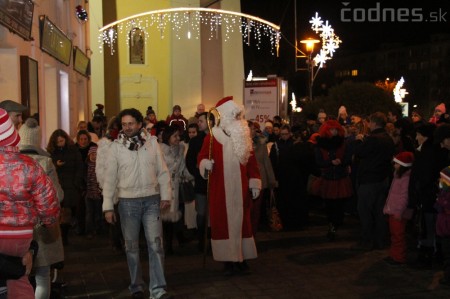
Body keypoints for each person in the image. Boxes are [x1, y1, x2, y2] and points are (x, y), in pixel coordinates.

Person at [102, 108, 173, 299]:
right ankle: (136, 285)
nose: (127, 127)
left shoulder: (152, 144)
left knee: (156, 245)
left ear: (139, 124)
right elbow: (109, 178)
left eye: (130, 123)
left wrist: (165, 194)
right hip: (127, 202)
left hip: (151, 199)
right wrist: (108, 206)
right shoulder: (116, 147)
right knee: (131, 247)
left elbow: (163, 171)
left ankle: (158, 289)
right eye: (124, 124)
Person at [198, 96, 261, 275]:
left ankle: (241, 258)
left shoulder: (244, 135)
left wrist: (254, 181)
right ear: (225, 116)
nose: (238, 119)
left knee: (243, 223)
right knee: (223, 224)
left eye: (239, 116)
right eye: (234, 115)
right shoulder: (212, 137)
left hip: (240, 189)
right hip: (221, 189)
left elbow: (251, 161)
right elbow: (201, 157)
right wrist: (205, 164)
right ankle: (228, 261)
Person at [0, 108, 60, 299]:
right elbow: (48, 201)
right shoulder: (29, 165)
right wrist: (50, 223)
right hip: (20, 236)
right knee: (20, 279)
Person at [18, 118, 65, 299]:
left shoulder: (10, 162)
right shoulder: (45, 162)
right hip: (41, 227)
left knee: (18, 277)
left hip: (18, 226)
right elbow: (57, 195)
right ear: (38, 139)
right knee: (42, 276)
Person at [353, 112, 395, 250]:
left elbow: (359, 152)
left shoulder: (373, 139)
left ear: (374, 123)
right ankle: (380, 240)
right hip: (382, 179)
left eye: (369, 122)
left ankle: (367, 241)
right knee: (379, 212)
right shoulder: (388, 138)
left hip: (369, 180)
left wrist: (358, 140)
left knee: (365, 211)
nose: (368, 125)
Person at [315, 120, 353, 241]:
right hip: (328, 178)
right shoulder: (320, 145)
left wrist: (341, 161)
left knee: (339, 204)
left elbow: (348, 158)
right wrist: (330, 162)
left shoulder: (344, 143)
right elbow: (318, 162)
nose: (334, 131)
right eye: (331, 129)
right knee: (330, 205)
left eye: (335, 129)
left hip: (340, 177)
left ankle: (335, 224)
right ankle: (332, 224)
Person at [160, 126, 193, 255]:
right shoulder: (160, 150)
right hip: (163, 188)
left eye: (178, 136)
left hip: (176, 187)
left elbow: (183, 168)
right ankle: (165, 246)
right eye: (175, 136)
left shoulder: (181, 149)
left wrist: (192, 177)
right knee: (164, 218)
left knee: (174, 216)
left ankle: (170, 245)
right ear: (168, 137)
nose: (178, 138)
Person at [47, 129, 83, 246]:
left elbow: (79, 166)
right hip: (57, 185)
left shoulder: (73, 150)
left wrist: (76, 182)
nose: (60, 144)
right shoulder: (51, 152)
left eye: (61, 141)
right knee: (58, 212)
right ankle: (59, 236)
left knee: (67, 212)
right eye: (58, 142)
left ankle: (65, 236)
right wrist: (56, 165)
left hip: (70, 185)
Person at [185, 112, 214, 251]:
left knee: (215, 213)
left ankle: (216, 240)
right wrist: (198, 173)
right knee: (201, 213)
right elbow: (190, 161)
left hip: (216, 182)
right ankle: (201, 240)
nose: (199, 123)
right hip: (201, 183)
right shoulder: (196, 141)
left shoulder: (218, 139)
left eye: (201, 121)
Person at [95, 116, 124, 253]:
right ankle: (116, 242)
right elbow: (101, 167)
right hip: (113, 185)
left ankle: (121, 241)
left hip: (125, 184)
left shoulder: (124, 142)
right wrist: (105, 185)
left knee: (123, 216)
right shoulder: (105, 144)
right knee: (115, 216)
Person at [383, 152, 414, 265]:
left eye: (396, 164)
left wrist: (399, 211)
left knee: (398, 235)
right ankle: (394, 255)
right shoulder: (398, 175)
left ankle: (399, 257)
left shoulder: (405, 178)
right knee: (395, 234)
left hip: (398, 212)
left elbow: (404, 196)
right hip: (394, 210)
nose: (394, 165)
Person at [248, 121, 277, 234]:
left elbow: (267, 162)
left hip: (260, 180)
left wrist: (272, 181)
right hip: (246, 180)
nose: (252, 131)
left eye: (253, 129)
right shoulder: (239, 144)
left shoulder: (261, 143)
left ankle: (252, 234)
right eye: (250, 129)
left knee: (256, 210)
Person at [435, 166, 450, 286]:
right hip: (444, 228)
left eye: (443, 179)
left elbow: (441, 206)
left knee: (448, 256)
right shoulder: (444, 192)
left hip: (447, 228)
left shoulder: (446, 195)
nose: (440, 181)